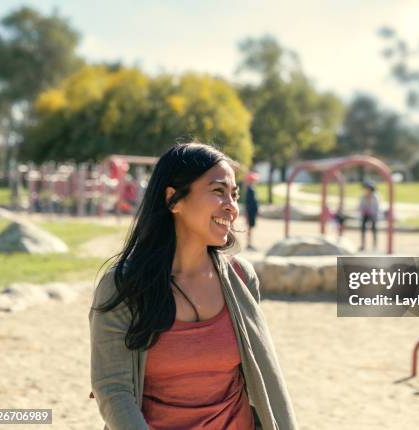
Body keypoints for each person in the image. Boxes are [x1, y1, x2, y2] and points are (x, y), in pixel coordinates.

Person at [89, 142, 298, 430]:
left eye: (234, 195)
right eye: (218, 191)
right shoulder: (122, 286)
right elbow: (113, 390)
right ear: (173, 199)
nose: (232, 207)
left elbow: (258, 374)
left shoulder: (241, 277)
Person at [359, 180, 380, 251]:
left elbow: (376, 207)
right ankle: (363, 245)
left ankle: (374, 246)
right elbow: (361, 206)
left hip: (373, 215)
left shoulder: (375, 197)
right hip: (365, 215)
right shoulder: (363, 196)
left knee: (374, 230)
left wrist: (372, 213)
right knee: (363, 230)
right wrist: (363, 211)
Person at [244, 171, 260, 251]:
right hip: (251, 212)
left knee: (251, 228)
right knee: (250, 228)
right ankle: (249, 243)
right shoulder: (250, 190)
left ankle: (249, 243)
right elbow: (250, 203)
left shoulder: (251, 189)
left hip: (252, 212)